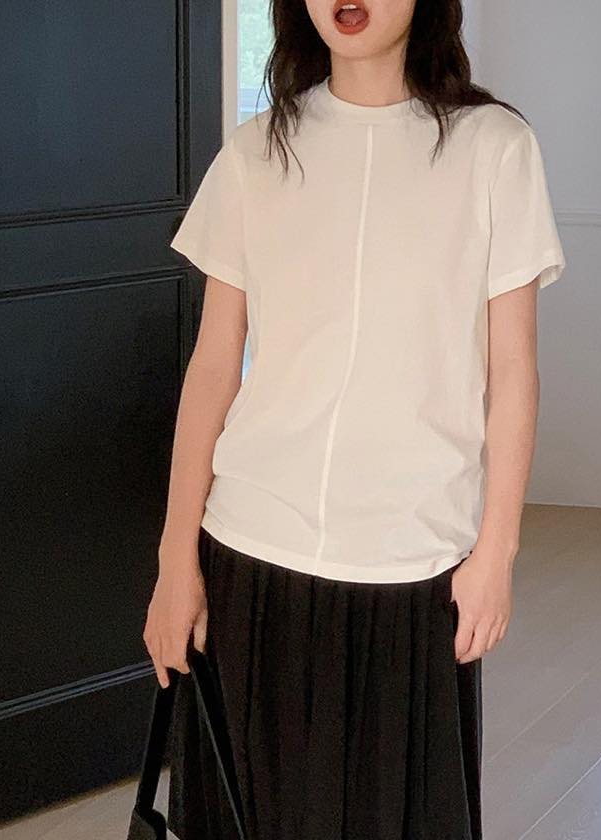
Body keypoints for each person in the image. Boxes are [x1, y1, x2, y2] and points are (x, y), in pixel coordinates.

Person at [143, 1, 566, 838]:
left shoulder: (495, 149)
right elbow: (214, 368)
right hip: (249, 551)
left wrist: (498, 550)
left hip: (413, 563)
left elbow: (513, 372)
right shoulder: (256, 152)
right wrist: (174, 560)